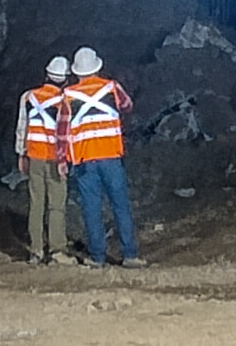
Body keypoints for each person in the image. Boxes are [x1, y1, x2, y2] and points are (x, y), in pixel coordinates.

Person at [57, 46, 147, 269]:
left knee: (91, 208)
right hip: (110, 157)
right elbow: (127, 106)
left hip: (85, 160)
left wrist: (61, 160)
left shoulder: (67, 96)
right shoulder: (111, 87)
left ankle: (97, 257)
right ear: (97, 67)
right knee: (120, 205)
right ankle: (129, 255)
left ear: (76, 72)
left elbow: (62, 131)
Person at [14, 55, 74, 265]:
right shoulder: (64, 101)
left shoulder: (29, 97)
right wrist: (66, 159)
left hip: (34, 156)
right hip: (54, 159)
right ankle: (57, 250)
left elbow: (22, 126)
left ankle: (36, 250)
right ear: (65, 79)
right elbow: (66, 133)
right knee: (56, 206)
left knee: (36, 204)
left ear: (46, 74)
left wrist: (21, 153)